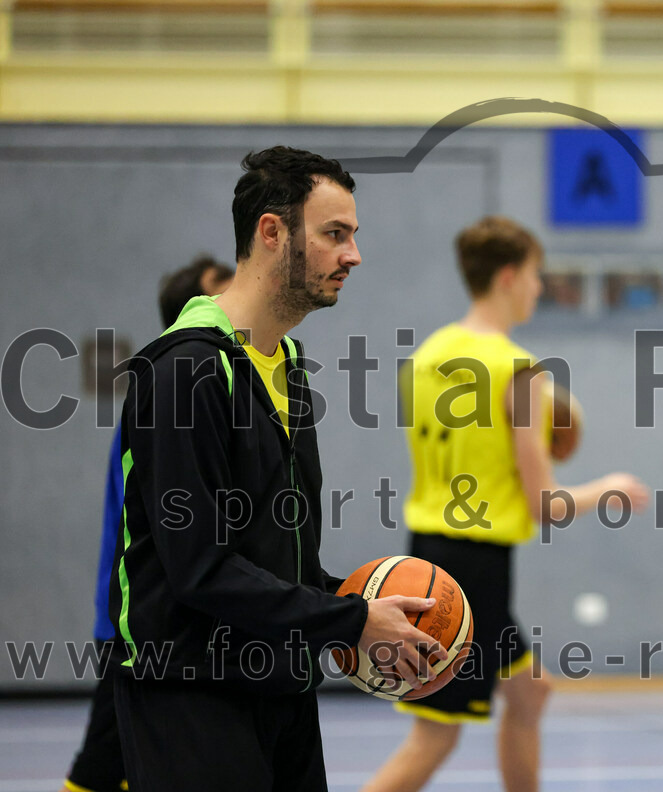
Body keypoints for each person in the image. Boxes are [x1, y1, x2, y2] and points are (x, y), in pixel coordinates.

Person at [107, 146, 445, 792]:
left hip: (283, 688)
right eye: (334, 234)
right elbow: (200, 568)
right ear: (272, 232)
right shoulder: (186, 371)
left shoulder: (285, 364)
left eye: (353, 235)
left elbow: (267, 553)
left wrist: (365, 602)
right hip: (190, 695)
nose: (354, 256)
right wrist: (349, 620)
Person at [362, 216, 650, 792]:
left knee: (530, 689)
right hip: (475, 566)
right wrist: (610, 487)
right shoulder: (519, 372)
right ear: (510, 276)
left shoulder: (425, 358)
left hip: (431, 552)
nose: (540, 288)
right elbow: (545, 503)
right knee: (434, 737)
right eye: (537, 276)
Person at [62, 254, 234, 792]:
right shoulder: (168, 395)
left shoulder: (209, 389)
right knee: (100, 768)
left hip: (167, 631)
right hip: (134, 628)